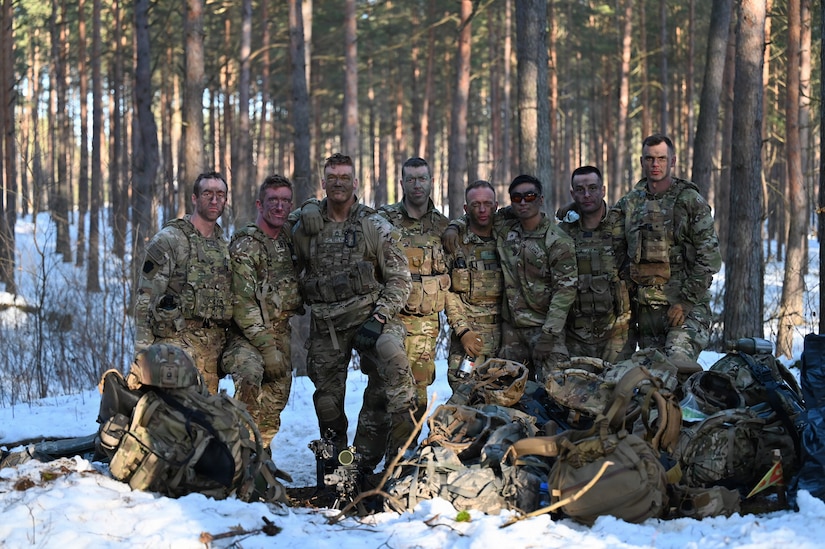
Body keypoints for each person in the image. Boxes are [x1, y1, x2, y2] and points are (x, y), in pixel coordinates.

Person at [291, 152, 416, 473]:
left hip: (371, 318)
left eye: (344, 178)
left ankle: (374, 460)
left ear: (355, 182)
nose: (338, 184)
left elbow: (400, 279)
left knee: (390, 379)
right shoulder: (306, 225)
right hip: (327, 325)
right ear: (323, 183)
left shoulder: (373, 224)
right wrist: (306, 207)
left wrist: (379, 317)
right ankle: (333, 468)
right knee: (326, 402)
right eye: (332, 178)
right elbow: (282, 249)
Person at [614, 133, 721, 368]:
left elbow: (709, 259)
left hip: (685, 310)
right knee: (652, 378)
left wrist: (685, 301)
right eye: (650, 159)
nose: (655, 164)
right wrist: (576, 210)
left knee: (676, 365)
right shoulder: (630, 203)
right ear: (642, 161)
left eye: (661, 158)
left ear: (672, 161)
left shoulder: (690, 201)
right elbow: (605, 233)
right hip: (647, 312)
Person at [220, 175, 304, 451]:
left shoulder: (287, 238)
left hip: (280, 334)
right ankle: (237, 455)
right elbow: (242, 303)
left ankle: (259, 456)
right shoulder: (247, 245)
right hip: (246, 337)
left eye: (285, 201)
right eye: (272, 201)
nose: (279, 207)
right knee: (250, 377)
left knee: (274, 405)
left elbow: (316, 210)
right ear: (259, 204)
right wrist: (266, 348)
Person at [134, 171, 232, 394]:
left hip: (211, 350)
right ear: (195, 199)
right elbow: (145, 301)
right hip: (174, 347)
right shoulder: (170, 240)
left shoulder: (224, 246)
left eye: (220, 194)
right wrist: (142, 358)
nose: (214, 200)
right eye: (207, 193)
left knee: (202, 421)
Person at [377, 157, 450, 419]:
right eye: (410, 179)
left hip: (426, 328)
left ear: (431, 181)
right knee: (382, 394)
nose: (416, 185)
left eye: (422, 178)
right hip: (389, 322)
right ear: (401, 183)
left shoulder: (444, 227)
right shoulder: (383, 220)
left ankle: (406, 454)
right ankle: (373, 456)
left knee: (417, 397)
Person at [496, 174, 578, 384]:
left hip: (545, 329)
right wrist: (454, 226)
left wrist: (549, 335)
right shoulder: (506, 231)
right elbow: (480, 214)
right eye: (517, 198)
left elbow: (565, 290)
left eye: (530, 197)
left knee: (557, 391)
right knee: (508, 393)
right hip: (512, 331)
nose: (523, 202)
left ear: (541, 199)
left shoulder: (557, 240)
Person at [557, 166, 635, 363]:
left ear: (603, 190)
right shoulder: (563, 232)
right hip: (576, 336)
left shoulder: (623, 224)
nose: (587, 195)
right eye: (580, 190)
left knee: (618, 391)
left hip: (618, 334)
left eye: (593, 188)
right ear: (572, 193)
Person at [443, 180, 503, 389]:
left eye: (487, 203)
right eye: (476, 205)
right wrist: (463, 331)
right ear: (466, 209)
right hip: (469, 338)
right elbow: (447, 292)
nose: (482, 209)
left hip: (506, 338)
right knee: (465, 399)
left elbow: (529, 210)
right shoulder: (455, 242)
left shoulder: (508, 236)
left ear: (496, 206)